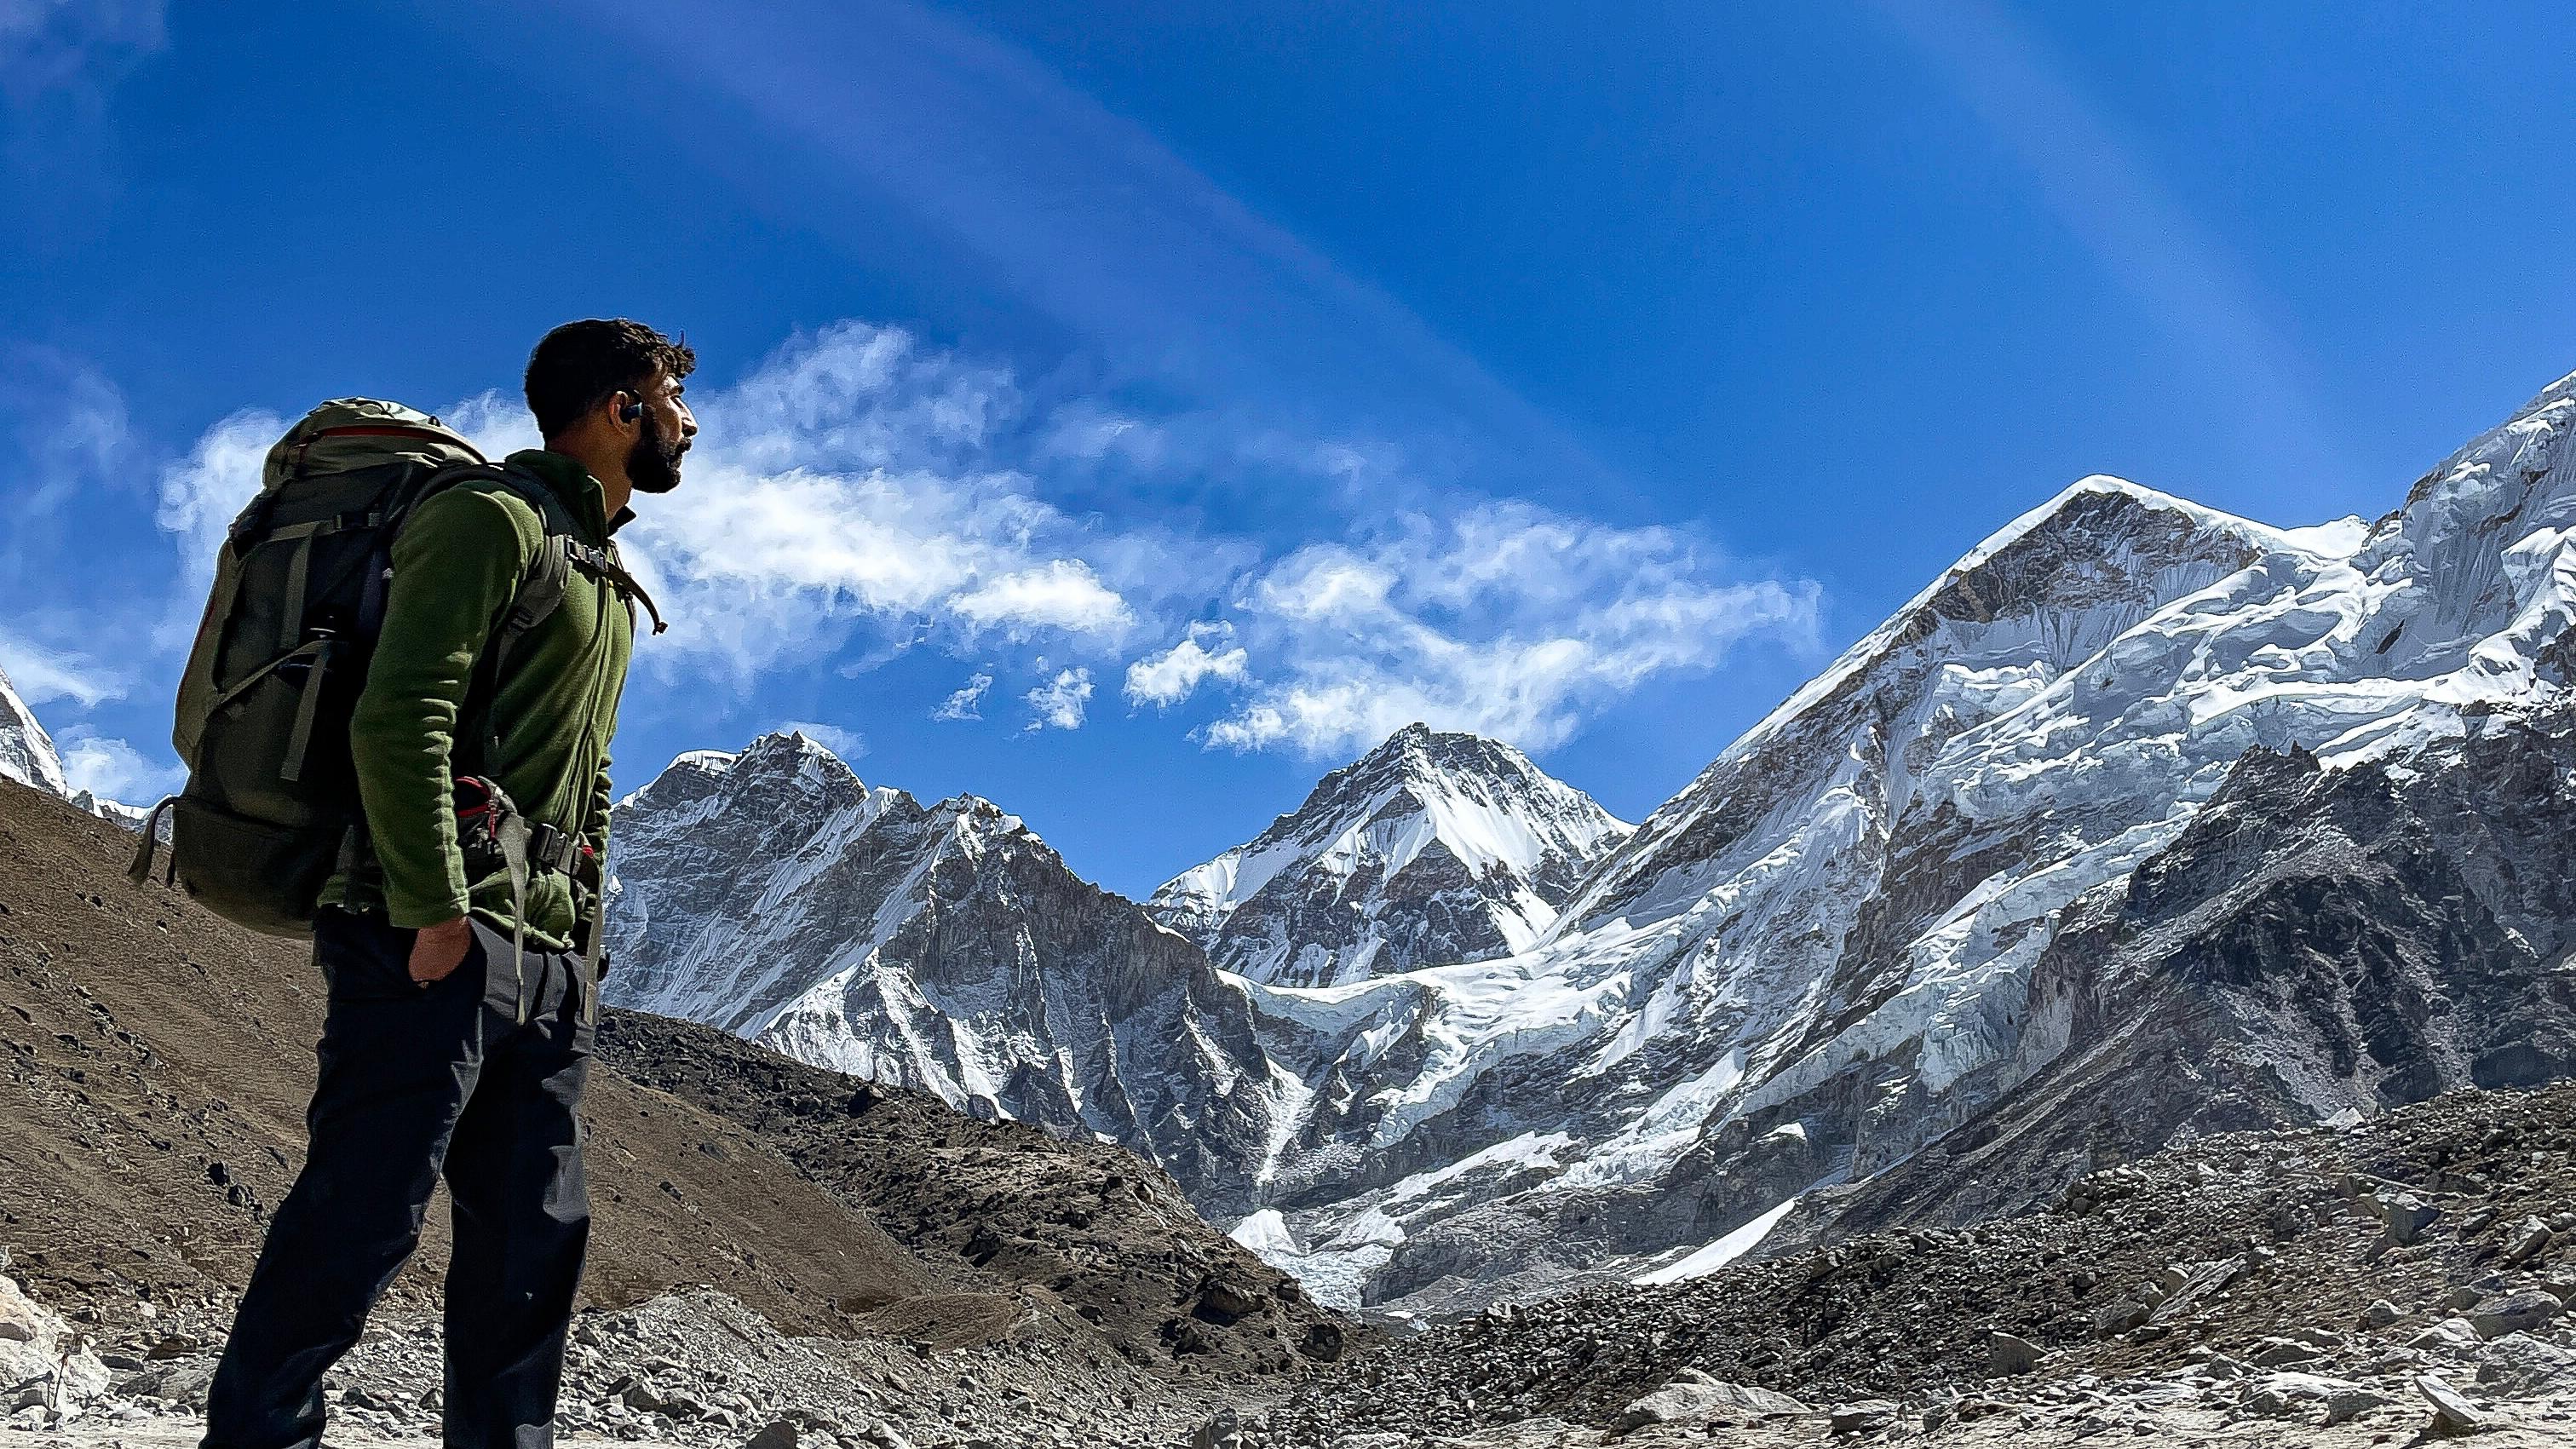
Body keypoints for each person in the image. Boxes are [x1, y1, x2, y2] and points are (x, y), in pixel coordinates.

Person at [202, 319, 697, 1449]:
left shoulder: (606, 580)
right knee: (360, 1222)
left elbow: (592, 780)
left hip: (548, 970)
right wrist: (433, 914)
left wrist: (579, 954)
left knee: (530, 1260)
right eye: (671, 395)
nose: (688, 421)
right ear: (620, 408)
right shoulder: (491, 521)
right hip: (425, 935)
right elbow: (402, 712)